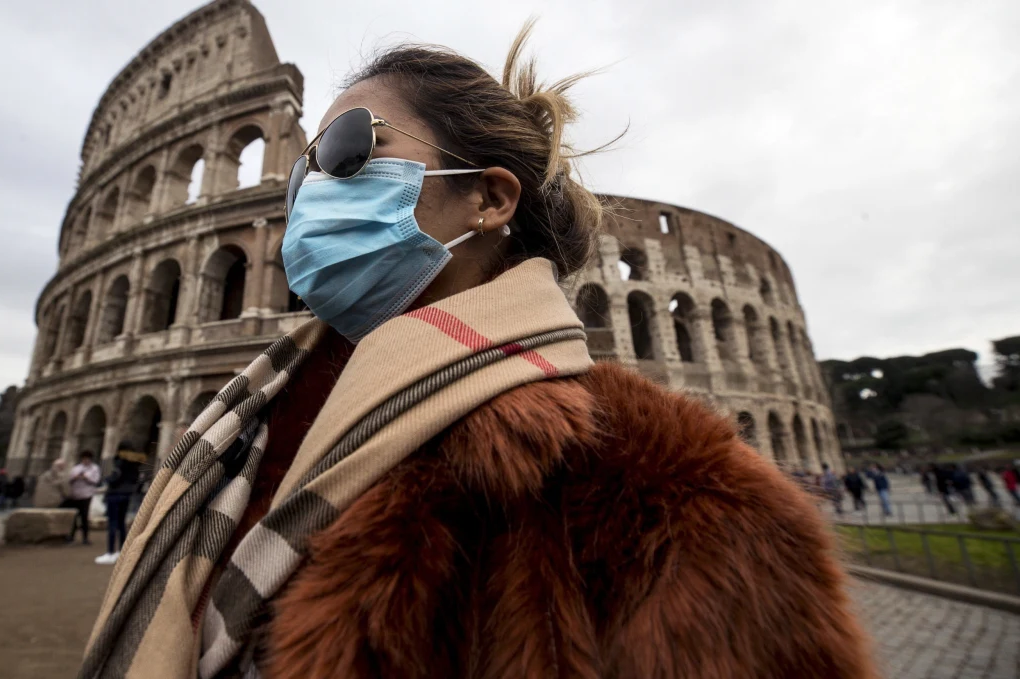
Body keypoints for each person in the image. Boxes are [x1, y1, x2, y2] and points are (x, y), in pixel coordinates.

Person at [81, 27, 875, 678]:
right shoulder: (253, 424)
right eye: (301, 176)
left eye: (350, 150)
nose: (311, 192)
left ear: (490, 197)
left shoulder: (675, 497)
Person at [95, 442, 146, 566]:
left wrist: (107, 480)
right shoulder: (135, 463)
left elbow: (113, 478)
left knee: (112, 523)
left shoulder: (119, 462)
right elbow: (138, 479)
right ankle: (122, 552)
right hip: (127, 494)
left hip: (114, 494)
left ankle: (110, 552)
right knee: (121, 524)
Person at [63, 451, 100, 545]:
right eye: (84, 458)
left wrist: (86, 478)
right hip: (75, 495)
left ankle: (85, 538)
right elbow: (69, 480)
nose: (86, 460)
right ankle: (70, 536)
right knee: (73, 517)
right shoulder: (76, 468)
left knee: (84, 517)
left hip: (86, 495)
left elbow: (96, 481)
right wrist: (75, 478)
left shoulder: (94, 468)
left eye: (87, 458)